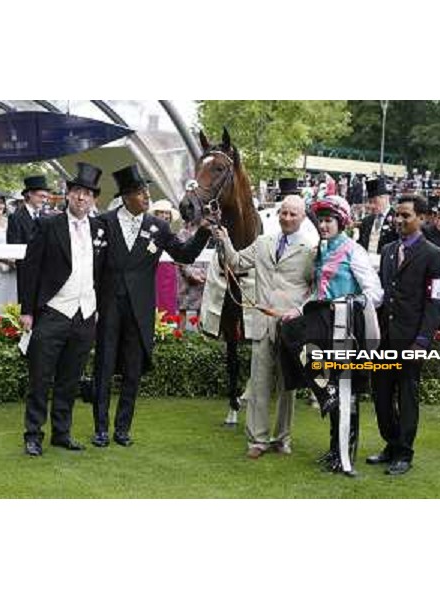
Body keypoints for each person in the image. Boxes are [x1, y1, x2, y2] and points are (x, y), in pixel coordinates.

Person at [91, 164, 212, 448]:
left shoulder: (158, 227)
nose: (146, 197)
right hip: (108, 306)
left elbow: (184, 253)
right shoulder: (104, 223)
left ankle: (122, 429)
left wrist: (204, 233)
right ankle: (100, 429)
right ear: (125, 197)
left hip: (140, 309)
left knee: (133, 370)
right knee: (104, 367)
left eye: (146, 191)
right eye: (140, 192)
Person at [279, 196, 383, 475]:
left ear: (342, 223)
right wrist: (298, 310)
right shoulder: (321, 250)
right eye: (321, 220)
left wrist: (350, 302)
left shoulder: (354, 251)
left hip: (344, 325)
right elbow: (317, 293)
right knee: (288, 330)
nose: (323, 226)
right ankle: (326, 396)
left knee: (346, 392)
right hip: (321, 320)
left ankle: (343, 454)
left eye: (328, 221)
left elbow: (375, 293)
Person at [214, 195, 317, 459]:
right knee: (259, 384)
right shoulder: (262, 243)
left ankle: (282, 439)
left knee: (287, 386)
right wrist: (224, 240)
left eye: (293, 214)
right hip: (261, 324)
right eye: (284, 213)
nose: (287, 218)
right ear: (278, 214)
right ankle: (257, 440)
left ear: (303, 218)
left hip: (290, 326)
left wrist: (300, 312)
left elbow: (315, 289)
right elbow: (235, 263)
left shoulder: (311, 250)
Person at [19, 163, 105, 457]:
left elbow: (104, 272)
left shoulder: (100, 228)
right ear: (68, 195)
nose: (82, 198)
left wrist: (98, 308)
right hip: (53, 312)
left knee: (69, 379)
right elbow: (29, 269)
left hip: (85, 315)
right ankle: (33, 434)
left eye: (88, 194)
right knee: (40, 378)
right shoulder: (47, 225)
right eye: (78, 192)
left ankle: (61, 433)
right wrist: (27, 311)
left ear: (94, 199)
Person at [367, 194, 440, 476]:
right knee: (382, 396)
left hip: (411, 340)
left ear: (422, 218)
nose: (399, 220)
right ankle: (390, 443)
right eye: (397, 215)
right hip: (384, 339)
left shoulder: (434, 255)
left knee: (407, 397)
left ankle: (404, 452)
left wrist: (423, 341)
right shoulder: (388, 250)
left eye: (406, 216)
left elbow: (436, 302)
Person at [7, 174, 51, 295]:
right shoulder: (16, 218)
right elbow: (14, 246)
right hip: (25, 275)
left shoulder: (46, 217)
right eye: (41, 196)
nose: (44, 200)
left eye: (46, 197)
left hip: (45, 275)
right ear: (30, 194)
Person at [148, 199, 181, 318]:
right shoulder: (150, 233)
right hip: (154, 272)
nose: (165, 216)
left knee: (169, 304)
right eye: (162, 212)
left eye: (167, 213)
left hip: (170, 272)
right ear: (156, 214)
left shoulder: (173, 235)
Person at [357, 177, 398, 254]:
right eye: (370, 202)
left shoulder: (396, 218)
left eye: (375, 201)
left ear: (385, 198)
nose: (371, 206)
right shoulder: (366, 221)